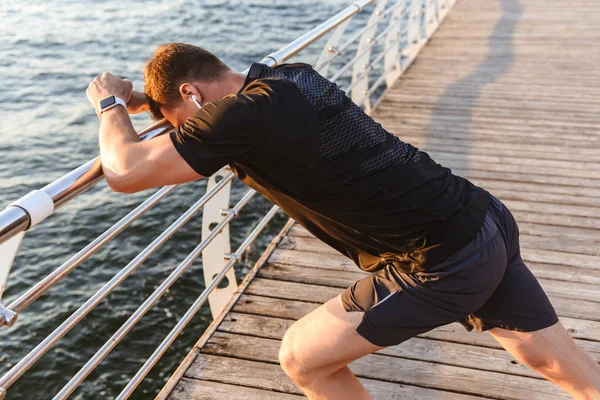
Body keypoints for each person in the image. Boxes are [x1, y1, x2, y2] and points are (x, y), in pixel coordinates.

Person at [86, 43, 600, 400]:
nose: (190, 137)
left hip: (440, 260)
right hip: (482, 218)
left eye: (182, 124)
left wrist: (109, 103)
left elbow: (126, 172)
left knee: (301, 358)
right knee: (553, 361)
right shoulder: (291, 75)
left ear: (195, 97)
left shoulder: (242, 117)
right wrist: (145, 101)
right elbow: (204, 110)